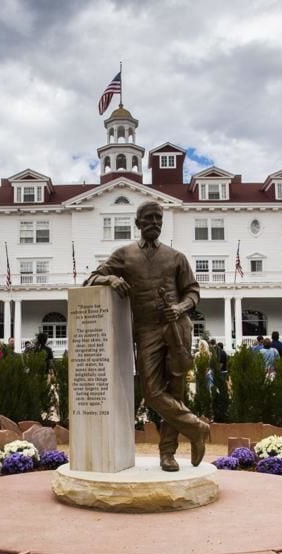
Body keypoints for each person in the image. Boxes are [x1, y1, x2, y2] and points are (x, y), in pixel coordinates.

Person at [85, 200, 210, 472]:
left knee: (176, 392)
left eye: (158, 218)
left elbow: (193, 292)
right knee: (152, 392)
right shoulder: (124, 255)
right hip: (146, 331)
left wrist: (179, 307)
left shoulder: (176, 257)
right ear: (138, 222)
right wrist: (110, 280)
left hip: (177, 330)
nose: (154, 222)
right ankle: (196, 428)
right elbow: (92, 278)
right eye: (149, 218)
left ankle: (168, 454)